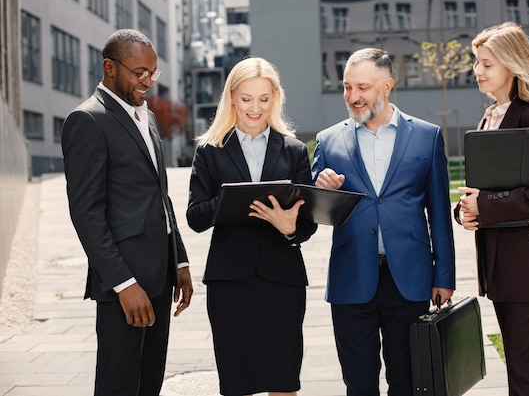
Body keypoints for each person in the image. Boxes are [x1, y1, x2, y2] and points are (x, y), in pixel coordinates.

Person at [312, 47, 456, 395]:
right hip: (351, 277)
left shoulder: (427, 136)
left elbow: (439, 212)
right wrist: (320, 187)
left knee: (407, 381)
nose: (353, 97)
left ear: (387, 86)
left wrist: (444, 275)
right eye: (347, 87)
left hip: (410, 278)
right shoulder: (328, 140)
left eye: (362, 87)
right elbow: (315, 207)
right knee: (358, 383)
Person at [61, 29, 193, 396]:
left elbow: (160, 196)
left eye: (153, 73)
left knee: (149, 384)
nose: (148, 81)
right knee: (118, 387)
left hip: (159, 276)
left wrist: (178, 261)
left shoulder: (147, 117)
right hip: (125, 285)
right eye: (139, 72)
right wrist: (123, 283)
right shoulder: (86, 120)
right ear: (110, 67)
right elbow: (87, 212)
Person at [186, 57, 318, 396]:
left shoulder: (293, 151)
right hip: (230, 282)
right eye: (246, 99)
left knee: (284, 380)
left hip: (282, 280)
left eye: (263, 98)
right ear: (232, 97)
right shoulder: (210, 151)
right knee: (236, 383)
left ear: (275, 98)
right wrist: (231, 200)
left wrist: (289, 227)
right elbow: (195, 217)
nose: (255, 108)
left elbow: (306, 224)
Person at [456, 22, 529, 396]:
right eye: (477, 62)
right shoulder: (490, 117)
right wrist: (467, 210)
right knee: (519, 370)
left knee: (525, 375)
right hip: (500, 267)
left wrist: (486, 205)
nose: (478, 70)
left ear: (511, 64)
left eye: (487, 63)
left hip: (528, 266)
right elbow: (487, 188)